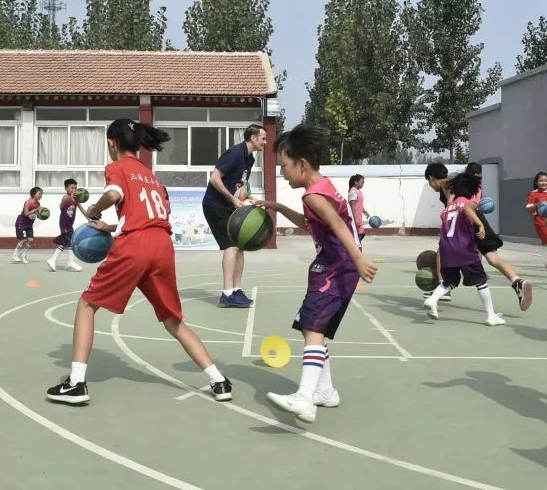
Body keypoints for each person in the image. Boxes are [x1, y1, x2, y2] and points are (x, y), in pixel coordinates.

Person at [46, 119, 232, 405]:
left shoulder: (117, 168)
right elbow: (151, 216)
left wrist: (95, 209)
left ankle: (76, 383)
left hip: (136, 245)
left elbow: (114, 194)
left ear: (111, 143)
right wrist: (108, 228)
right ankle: (218, 380)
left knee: (87, 304)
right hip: (162, 245)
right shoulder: (151, 176)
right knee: (173, 320)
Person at [254, 125, 377, 424]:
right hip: (338, 266)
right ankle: (326, 392)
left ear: (302, 165)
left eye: (284, 166)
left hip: (336, 267)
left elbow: (336, 223)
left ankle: (305, 397)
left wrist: (359, 258)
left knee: (312, 327)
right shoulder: (322, 187)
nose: (282, 173)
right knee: (313, 329)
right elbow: (315, 224)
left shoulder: (313, 195)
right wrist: (278, 207)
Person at [425, 162, 533, 309]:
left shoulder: (449, 185)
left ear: (431, 178)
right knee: (493, 259)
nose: (431, 186)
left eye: (429, 182)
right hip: (478, 221)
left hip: (467, 223)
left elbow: (455, 207)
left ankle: (442, 287)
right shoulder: (458, 182)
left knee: (442, 250)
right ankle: (518, 281)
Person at [423, 173, 504, 326]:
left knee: (451, 280)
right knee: (481, 281)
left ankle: (432, 299)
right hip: (464, 248)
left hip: (446, 248)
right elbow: (467, 209)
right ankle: (491, 316)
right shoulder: (467, 202)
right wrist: (480, 224)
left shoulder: (448, 207)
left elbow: (444, 221)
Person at [201, 124, 268, 308]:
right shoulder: (235, 154)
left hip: (228, 204)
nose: (265, 142)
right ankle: (227, 294)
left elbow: (239, 184)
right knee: (231, 246)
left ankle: (236, 290)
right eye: (263, 138)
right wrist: (232, 199)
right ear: (253, 138)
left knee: (240, 246)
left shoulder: (250, 159)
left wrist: (246, 198)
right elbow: (214, 178)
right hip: (215, 205)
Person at [47, 178, 83, 272]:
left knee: (63, 243)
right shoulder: (66, 197)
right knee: (71, 242)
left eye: (75, 188)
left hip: (69, 224)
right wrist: (71, 196)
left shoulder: (75, 199)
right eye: (72, 188)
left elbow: (83, 210)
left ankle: (52, 260)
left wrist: (89, 218)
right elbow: (61, 205)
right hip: (64, 224)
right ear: (66, 188)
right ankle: (71, 262)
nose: (74, 190)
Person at [12, 187, 44, 263]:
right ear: (34, 194)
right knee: (23, 239)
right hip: (21, 223)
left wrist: (42, 214)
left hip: (29, 224)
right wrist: (35, 210)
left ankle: (24, 255)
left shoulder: (38, 204)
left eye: (41, 194)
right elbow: (26, 213)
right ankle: (15, 254)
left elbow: (37, 214)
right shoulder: (28, 202)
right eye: (39, 194)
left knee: (30, 240)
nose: (40, 195)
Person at [347, 174, 370, 243]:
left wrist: (365, 212)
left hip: (359, 218)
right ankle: (355, 252)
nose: (363, 184)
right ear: (356, 182)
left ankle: (356, 251)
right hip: (355, 218)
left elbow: (359, 204)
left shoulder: (358, 191)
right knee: (357, 237)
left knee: (361, 234)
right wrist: (355, 219)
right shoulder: (353, 191)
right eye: (362, 182)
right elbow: (352, 205)